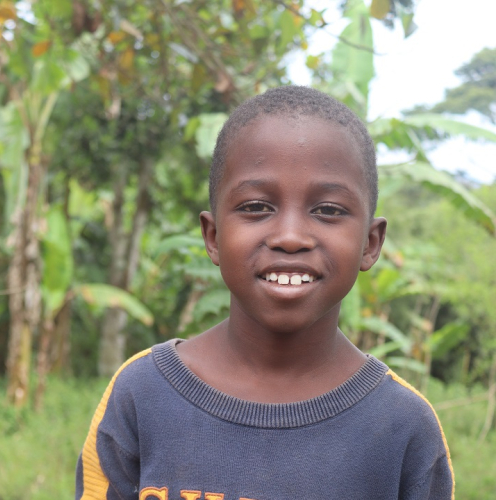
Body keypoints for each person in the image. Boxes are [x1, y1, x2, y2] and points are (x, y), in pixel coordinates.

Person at [76, 86, 455, 500]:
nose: (290, 237)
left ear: (370, 242)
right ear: (213, 236)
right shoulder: (143, 395)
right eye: (256, 207)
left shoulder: (403, 426)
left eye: (328, 210)